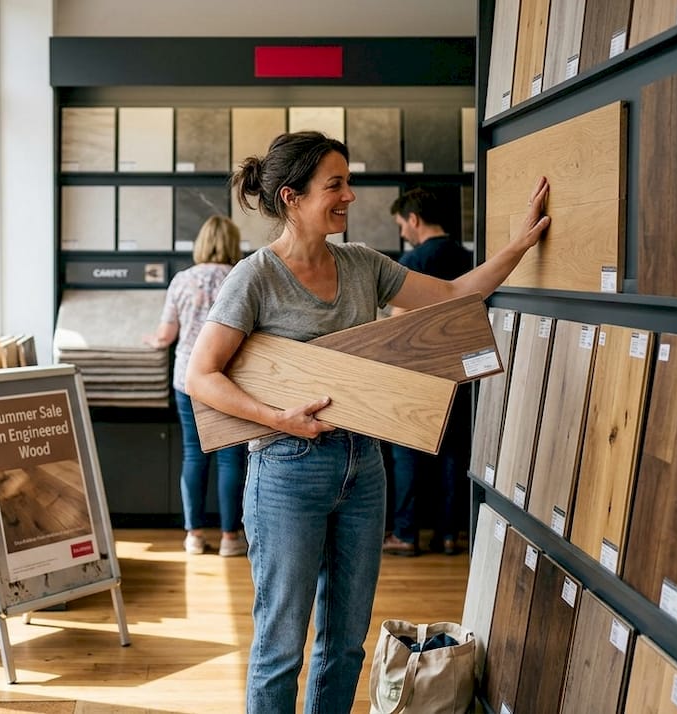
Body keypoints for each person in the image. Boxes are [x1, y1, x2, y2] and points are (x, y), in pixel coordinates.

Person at [184, 130, 549, 713]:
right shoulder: (254, 277)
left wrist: (519, 246)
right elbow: (202, 375)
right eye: (335, 185)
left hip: (364, 467)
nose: (350, 196)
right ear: (291, 197)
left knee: (346, 646)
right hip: (286, 470)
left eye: (347, 182)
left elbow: (456, 295)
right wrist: (277, 417)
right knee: (281, 646)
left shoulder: (361, 265)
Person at [144, 215, 249, 557]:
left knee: (194, 453)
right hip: (229, 378)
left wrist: (150, 339)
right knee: (231, 456)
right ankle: (231, 538)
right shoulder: (241, 277)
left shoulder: (182, 280)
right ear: (232, 243)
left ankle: (194, 535)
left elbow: (166, 335)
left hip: (188, 378)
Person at [382, 187, 475, 558]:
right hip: (460, 369)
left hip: (418, 373)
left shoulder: (414, 260)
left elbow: (398, 322)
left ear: (414, 220)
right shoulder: (467, 257)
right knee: (454, 453)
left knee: (407, 454)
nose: (403, 231)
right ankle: (449, 534)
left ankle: (406, 534)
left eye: (402, 224)